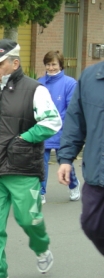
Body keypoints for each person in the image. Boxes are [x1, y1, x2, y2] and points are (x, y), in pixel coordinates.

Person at [0, 39, 62, 278]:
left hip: (23, 169)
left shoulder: (35, 89)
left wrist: (23, 139)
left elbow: (53, 121)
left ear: (15, 63)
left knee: (28, 219)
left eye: (0, 64)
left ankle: (41, 248)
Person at [57, 60, 104, 256]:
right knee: (91, 223)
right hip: (97, 170)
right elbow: (75, 120)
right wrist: (66, 158)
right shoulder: (91, 77)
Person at [38, 51, 80, 204]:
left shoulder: (70, 83)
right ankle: (41, 192)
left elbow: (71, 109)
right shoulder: (39, 82)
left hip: (62, 131)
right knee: (41, 162)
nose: (51, 67)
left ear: (60, 65)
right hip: (43, 129)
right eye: (48, 64)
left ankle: (74, 184)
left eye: (54, 64)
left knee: (65, 161)